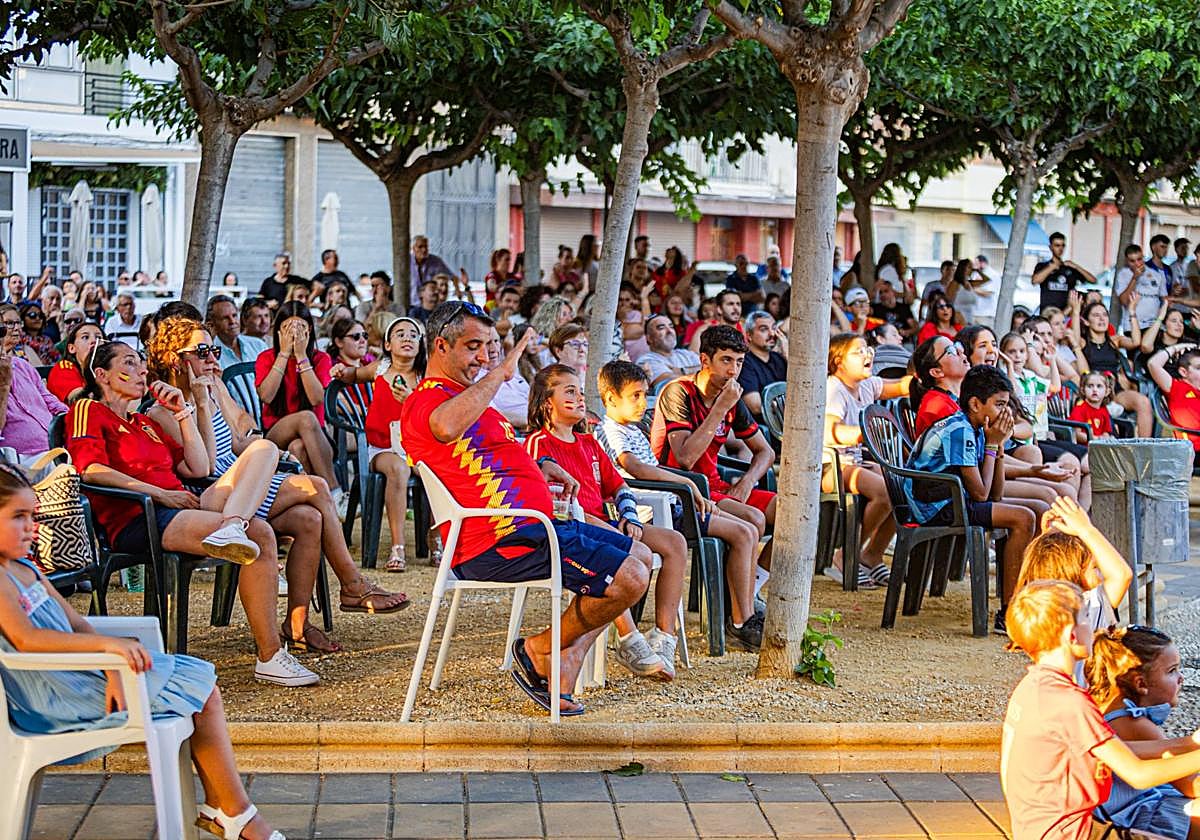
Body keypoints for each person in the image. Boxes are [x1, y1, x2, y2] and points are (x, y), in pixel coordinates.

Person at [0, 467, 289, 840]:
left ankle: (230, 809)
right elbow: (27, 640)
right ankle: (234, 813)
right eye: (18, 517)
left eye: (33, 516)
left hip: (80, 674)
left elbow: (78, 624)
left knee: (202, 688)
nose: (31, 527)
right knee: (202, 694)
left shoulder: (26, 569)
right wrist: (110, 648)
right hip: (56, 693)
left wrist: (113, 664)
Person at [401, 301, 651, 716]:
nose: (482, 358)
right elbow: (444, 428)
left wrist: (541, 465)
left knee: (642, 555)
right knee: (630, 578)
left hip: (535, 525)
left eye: (488, 347)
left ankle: (564, 654)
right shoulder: (427, 399)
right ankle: (541, 650)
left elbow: (489, 457)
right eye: (472, 347)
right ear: (441, 346)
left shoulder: (465, 398)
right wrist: (501, 373)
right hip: (500, 539)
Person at [66, 341, 318, 687]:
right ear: (101, 374)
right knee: (259, 532)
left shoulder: (143, 422)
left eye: (141, 362)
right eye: (129, 363)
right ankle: (270, 656)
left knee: (264, 448)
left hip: (184, 503)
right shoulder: (87, 409)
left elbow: (198, 467)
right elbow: (90, 469)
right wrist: (158, 493)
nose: (142, 370)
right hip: (141, 515)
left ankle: (232, 525)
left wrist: (183, 412)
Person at [146, 318, 406, 651]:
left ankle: (298, 625)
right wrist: (199, 405)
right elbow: (204, 468)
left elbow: (237, 440)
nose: (212, 358)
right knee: (316, 487)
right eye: (202, 351)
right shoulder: (163, 412)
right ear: (175, 359)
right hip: (212, 494)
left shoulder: (212, 389)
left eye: (214, 350)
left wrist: (263, 445)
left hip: (240, 482)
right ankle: (352, 585)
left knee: (309, 519)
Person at [1002, 580, 1200, 840]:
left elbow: (1119, 751)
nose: (1094, 627)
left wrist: (1189, 743)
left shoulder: (1033, 687)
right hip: (1072, 833)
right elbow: (1138, 774)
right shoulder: (1069, 701)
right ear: (1072, 635)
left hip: (1040, 830)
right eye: (1086, 617)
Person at [525, 364, 688, 680]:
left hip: (607, 524)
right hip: (572, 530)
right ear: (546, 402)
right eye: (569, 392)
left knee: (675, 543)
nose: (580, 398)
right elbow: (544, 502)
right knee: (625, 555)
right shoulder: (537, 444)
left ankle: (663, 637)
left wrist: (629, 516)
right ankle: (629, 638)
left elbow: (619, 486)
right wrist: (597, 523)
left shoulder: (589, 443)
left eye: (580, 391)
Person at [596, 359, 762, 657]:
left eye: (645, 394)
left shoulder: (632, 429)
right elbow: (637, 469)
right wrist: (687, 484)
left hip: (671, 504)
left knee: (749, 528)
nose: (642, 403)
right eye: (635, 396)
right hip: (653, 513)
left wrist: (690, 488)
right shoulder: (610, 431)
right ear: (610, 398)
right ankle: (740, 622)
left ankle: (745, 615)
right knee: (742, 534)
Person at [650, 325, 776, 650]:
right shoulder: (679, 392)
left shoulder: (731, 395)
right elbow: (686, 458)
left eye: (739, 362)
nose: (733, 371)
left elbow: (766, 452)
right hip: (682, 491)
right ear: (704, 360)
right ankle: (741, 619)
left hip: (715, 487)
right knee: (753, 521)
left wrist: (747, 482)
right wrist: (720, 407)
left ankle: (750, 590)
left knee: (792, 514)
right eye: (726, 361)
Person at [904, 363, 1036, 633]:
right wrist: (992, 444)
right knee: (1023, 518)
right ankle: (1009, 613)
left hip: (957, 499)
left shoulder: (977, 427)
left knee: (1040, 507)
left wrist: (998, 446)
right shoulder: (960, 429)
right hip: (936, 506)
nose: (1006, 413)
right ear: (975, 404)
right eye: (999, 405)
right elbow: (981, 493)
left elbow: (996, 493)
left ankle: (1028, 597)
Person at [1086, 626, 1200, 840]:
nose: (1181, 678)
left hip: (1128, 808)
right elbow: (1191, 785)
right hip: (1134, 816)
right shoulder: (1133, 723)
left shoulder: (1106, 708)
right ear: (1141, 684)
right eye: (1172, 671)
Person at [333, 316, 425, 572]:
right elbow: (354, 374)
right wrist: (342, 372)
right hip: (382, 446)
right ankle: (398, 546)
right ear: (387, 345)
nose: (407, 338)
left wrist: (411, 400)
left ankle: (436, 537)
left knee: (435, 472)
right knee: (397, 469)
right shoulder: (380, 368)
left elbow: (432, 412)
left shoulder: (425, 375)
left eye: (413, 335)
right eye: (400, 334)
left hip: (414, 446)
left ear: (420, 345)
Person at [824, 333, 911, 587]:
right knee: (884, 492)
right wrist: (866, 433)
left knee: (904, 487)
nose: (867, 355)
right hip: (829, 465)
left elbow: (902, 386)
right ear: (838, 362)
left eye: (867, 349)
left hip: (855, 462)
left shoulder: (867, 385)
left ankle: (872, 556)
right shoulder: (834, 389)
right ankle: (846, 555)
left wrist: (928, 371)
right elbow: (830, 432)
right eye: (858, 352)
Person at [254, 302, 348, 518]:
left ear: (310, 331)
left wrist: (302, 357)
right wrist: (284, 354)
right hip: (276, 434)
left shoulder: (321, 359)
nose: (294, 335)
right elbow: (266, 395)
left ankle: (313, 515)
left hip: (317, 439)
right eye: (288, 329)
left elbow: (316, 398)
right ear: (278, 332)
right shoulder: (267, 358)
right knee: (305, 418)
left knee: (298, 447)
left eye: (300, 328)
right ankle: (335, 493)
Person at [1014, 496, 1131, 648]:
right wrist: (1086, 529)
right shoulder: (1088, 607)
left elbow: (1043, 570)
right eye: (1095, 568)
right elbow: (1122, 575)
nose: (1102, 574)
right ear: (1070, 572)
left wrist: (1049, 537)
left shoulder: (1041, 611)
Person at [1073, 299, 1153, 437]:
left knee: (1143, 402)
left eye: (1104, 315)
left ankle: (1144, 445)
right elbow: (1074, 340)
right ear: (1086, 321)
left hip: (1114, 390)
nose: (1102, 319)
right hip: (1094, 389)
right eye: (1096, 315)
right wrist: (1075, 312)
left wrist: (1132, 311)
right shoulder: (1083, 342)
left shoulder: (1114, 341)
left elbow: (1136, 342)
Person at [0, 319, 66, 457]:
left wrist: (71, 418)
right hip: (21, 459)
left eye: (1, 330)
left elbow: (51, 402)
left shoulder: (22, 365)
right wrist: (4, 386)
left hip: (56, 447)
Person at [1147, 343, 1200, 455]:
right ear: (1183, 372)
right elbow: (1153, 364)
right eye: (1199, 368)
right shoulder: (1177, 388)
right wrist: (1177, 347)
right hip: (1192, 450)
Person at [738, 311, 788, 422]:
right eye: (764, 329)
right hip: (763, 427)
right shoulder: (744, 362)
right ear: (749, 335)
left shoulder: (780, 358)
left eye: (773, 328)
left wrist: (789, 357)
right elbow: (756, 406)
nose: (772, 334)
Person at [1032, 232, 1095, 312]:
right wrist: (1051, 267)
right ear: (1051, 247)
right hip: (1047, 313)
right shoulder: (1043, 266)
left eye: (1063, 245)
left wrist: (1076, 266)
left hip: (1067, 312)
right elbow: (1035, 281)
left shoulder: (1069, 267)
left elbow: (1093, 280)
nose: (1060, 249)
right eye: (1057, 245)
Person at [638, 313, 701, 389]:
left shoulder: (686, 354)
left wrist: (683, 371)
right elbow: (673, 383)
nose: (669, 331)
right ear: (649, 338)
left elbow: (711, 369)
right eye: (661, 328)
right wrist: (699, 371)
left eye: (671, 327)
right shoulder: (646, 360)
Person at [47, 321, 104, 405]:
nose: (94, 341)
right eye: (85, 337)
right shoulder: (64, 368)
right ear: (72, 348)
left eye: (98, 337)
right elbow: (77, 400)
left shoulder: (112, 367)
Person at [207, 295, 268, 370]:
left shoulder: (259, 345)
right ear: (212, 324)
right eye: (225, 318)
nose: (232, 321)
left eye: (234, 315)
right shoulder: (211, 355)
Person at [1117, 244, 1170, 330]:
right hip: (1132, 325)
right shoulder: (1123, 274)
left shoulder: (1156, 274)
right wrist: (1134, 278)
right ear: (1127, 261)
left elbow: (1165, 299)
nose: (1137, 264)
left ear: (1143, 257)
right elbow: (1124, 301)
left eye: (1139, 259)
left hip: (1153, 325)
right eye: (1132, 261)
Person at [1069, 371, 1116, 441]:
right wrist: (1095, 439)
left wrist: (1105, 438)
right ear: (1083, 390)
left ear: (1107, 392)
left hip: (1098, 445)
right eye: (1090, 386)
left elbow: (1106, 432)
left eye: (1099, 386)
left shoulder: (1104, 410)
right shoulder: (1079, 409)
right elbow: (1076, 434)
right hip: (1082, 446)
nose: (1094, 390)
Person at [945, 258, 991, 325]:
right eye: (969, 267)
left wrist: (977, 270)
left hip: (970, 319)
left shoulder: (969, 283)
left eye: (972, 267)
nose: (971, 269)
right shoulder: (955, 283)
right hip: (958, 320)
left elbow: (986, 280)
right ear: (962, 268)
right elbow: (948, 302)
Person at [409, 236, 453, 306]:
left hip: (430, 305)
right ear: (413, 248)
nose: (424, 250)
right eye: (420, 247)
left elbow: (452, 277)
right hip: (411, 305)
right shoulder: (406, 262)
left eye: (426, 246)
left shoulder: (436, 261)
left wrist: (458, 291)